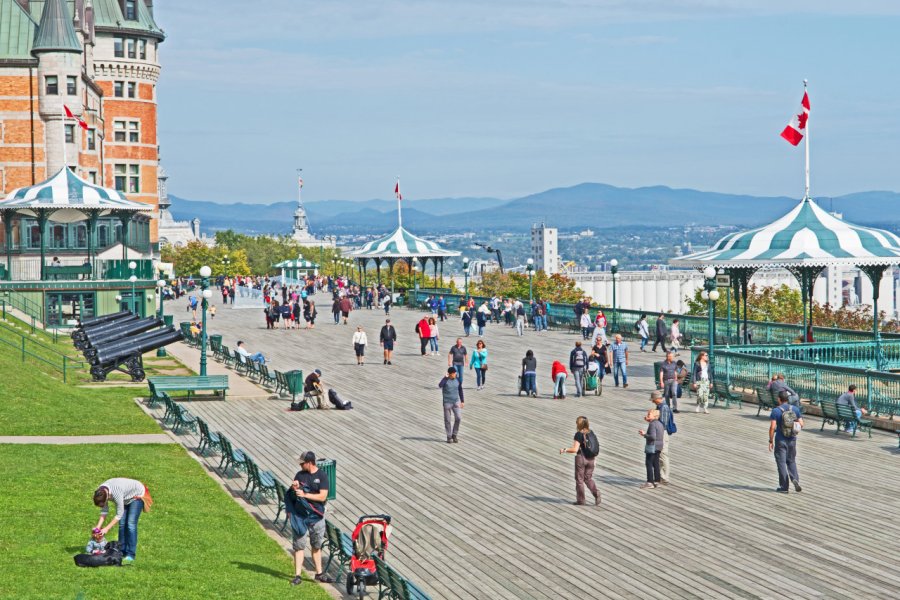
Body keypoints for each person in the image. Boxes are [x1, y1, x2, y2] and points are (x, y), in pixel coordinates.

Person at [290, 451, 333, 586]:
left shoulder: (322, 476)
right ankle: (297, 576)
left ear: (310, 462)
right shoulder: (300, 474)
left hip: (316, 516)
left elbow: (322, 497)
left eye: (303, 463)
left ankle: (319, 573)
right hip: (300, 516)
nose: (301, 465)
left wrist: (305, 494)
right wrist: (294, 487)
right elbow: (294, 494)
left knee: (316, 545)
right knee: (299, 546)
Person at [93, 478, 153, 564]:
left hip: (136, 496)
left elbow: (119, 515)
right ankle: (121, 551)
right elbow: (104, 511)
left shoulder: (116, 492)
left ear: (107, 497)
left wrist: (107, 528)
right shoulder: (100, 492)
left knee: (130, 524)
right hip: (124, 497)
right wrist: (98, 527)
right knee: (122, 524)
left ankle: (130, 554)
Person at [559, 416, 601, 506]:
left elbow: (575, 449)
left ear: (579, 424)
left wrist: (565, 449)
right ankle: (596, 493)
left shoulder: (579, 434)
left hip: (581, 459)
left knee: (579, 480)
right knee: (588, 478)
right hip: (592, 459)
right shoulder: (591, 432)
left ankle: (581, 500)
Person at [769, 391, 803, 493]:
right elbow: (801, 424)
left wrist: (770, 440)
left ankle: (784, 486)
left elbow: (772, 427)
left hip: (780, 439)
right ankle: (795, 478)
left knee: (781, 463)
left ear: (779, 399)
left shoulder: (776, 411)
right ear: (788, 399)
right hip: (792, 439)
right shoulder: (795, 409)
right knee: (791, 461)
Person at [650, 391, 673, 485]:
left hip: (662, 433)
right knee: (659, 455)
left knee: (663, 455)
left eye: (653, 400)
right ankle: (661, 476)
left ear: (657, 399)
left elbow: (663, 423)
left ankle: (665, 477)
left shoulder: (663, 407)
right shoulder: (660, 406)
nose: (653, 402)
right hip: (660, 433)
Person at [639, 409, 664, 489]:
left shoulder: (652, 424)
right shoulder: (660, 423)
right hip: (659, 446)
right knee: (656, 463)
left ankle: (650, 482)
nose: (647, 415)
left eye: (649, 414)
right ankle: (657, 481)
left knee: (649, 463)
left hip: (652, 446)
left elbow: (653, 437)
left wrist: (644, 434)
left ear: (654, 416)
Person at [438, 367, 464, 443]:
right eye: (454, 373)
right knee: (447, 420)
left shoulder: (458, 380)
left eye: (455, 373)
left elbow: (460, 390)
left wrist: (462, 401)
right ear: (450, 374)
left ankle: (454, 434)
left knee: (458, 418)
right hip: (447, 403)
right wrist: (445, 377)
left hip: (456, 402)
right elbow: (440, 385)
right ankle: (449, 437)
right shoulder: (445, 380)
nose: (455, 374)